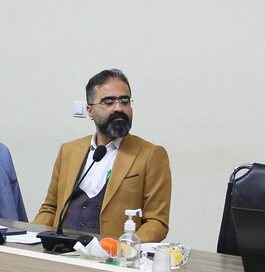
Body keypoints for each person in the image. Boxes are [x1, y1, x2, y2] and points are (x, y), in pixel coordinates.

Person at [35, 69, 171, 241]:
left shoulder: (151, 155)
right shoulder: (69, 150)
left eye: (124, 101)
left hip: (113, 253)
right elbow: (50, 209)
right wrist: (31, 237)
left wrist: (124, 248)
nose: (119, 108)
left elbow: (157, 222)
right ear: (90, 111)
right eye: (109, 102)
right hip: (60, 249)